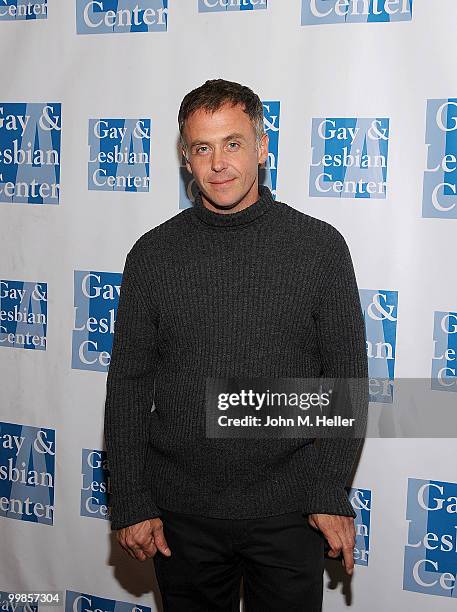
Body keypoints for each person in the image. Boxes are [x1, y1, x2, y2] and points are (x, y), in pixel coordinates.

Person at [103, 78, 369, 611]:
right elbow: (129, 387)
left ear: (262, 147)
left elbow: (347, 382)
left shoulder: (318, 247)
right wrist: (131, 499)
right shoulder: (153, 255)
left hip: (290, 512)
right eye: (203, 147)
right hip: (182, 515)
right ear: (186, 158)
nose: (219, 162)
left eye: (233, 143)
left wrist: (327, 490)